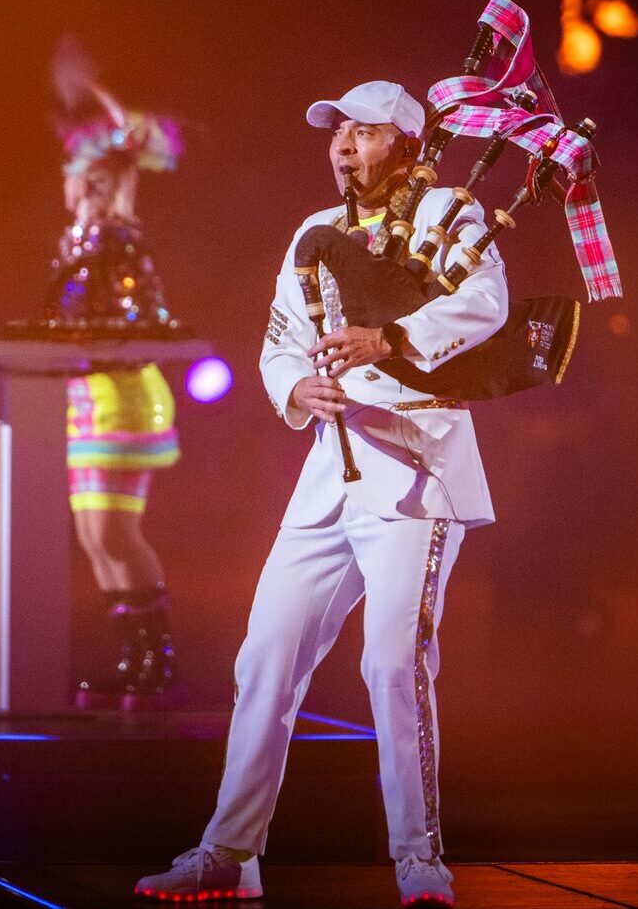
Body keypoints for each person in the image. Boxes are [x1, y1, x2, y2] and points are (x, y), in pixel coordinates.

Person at [137, 80, 505, 907]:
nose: (342, 144)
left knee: (392, 666)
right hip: (328, 477)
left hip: (415, 472)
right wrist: (296, 388)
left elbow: (488, 302)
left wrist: (391, 336)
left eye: (363, 132)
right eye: (336, 131)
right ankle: (232, 852)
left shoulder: (449, 214)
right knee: (264, 655)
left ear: (404, 144)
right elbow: (280, 343)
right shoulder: (312, 233)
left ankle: (419, 860)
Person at [43, 51, 189, 709]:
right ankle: (131, 656)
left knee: (112, 533)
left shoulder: (116, 229)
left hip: (124, 393)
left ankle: (155, 659)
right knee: (92, 535)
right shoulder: (73, 238)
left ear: (100, 181)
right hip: (83, 395)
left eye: (78, 174)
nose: (68, 184)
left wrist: (96, 92)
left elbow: (140, 142)